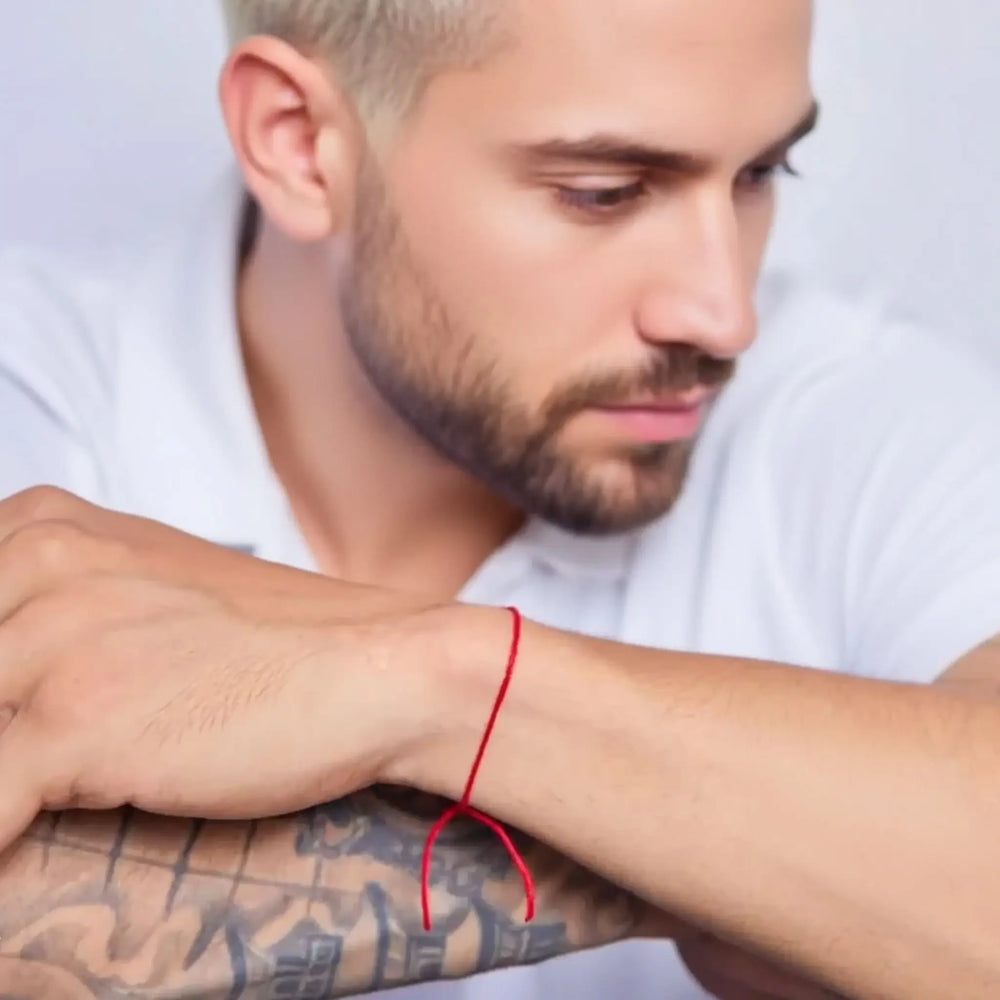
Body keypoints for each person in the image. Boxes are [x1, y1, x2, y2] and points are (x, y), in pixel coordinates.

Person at [0, 0, 998, 998]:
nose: (723, 313)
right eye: (604, 193)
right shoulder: (32, 388)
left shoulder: (858, 415)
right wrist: (801, 866)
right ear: (299, 143)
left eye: (759, 173)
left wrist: (439, 684)